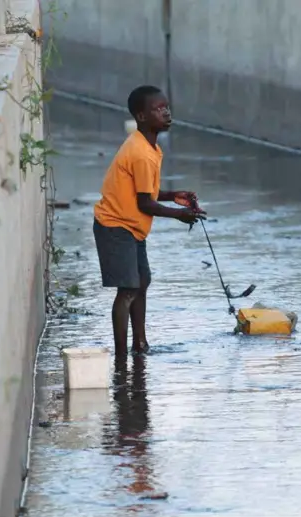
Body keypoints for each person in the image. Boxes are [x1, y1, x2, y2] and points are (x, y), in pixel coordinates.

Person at [93, 85, 205, 356]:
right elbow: (145, 203)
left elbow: (145, 193)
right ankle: (121, 357)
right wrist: (180, 214)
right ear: (141, 117)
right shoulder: (142, 153)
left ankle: (140, 344)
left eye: (166, 107)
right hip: (115, 225)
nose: (166, 112)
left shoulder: (147, 146)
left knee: (141, 282)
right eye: (158, 109)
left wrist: (173, 195)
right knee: (128, 289)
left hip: (131, 226)